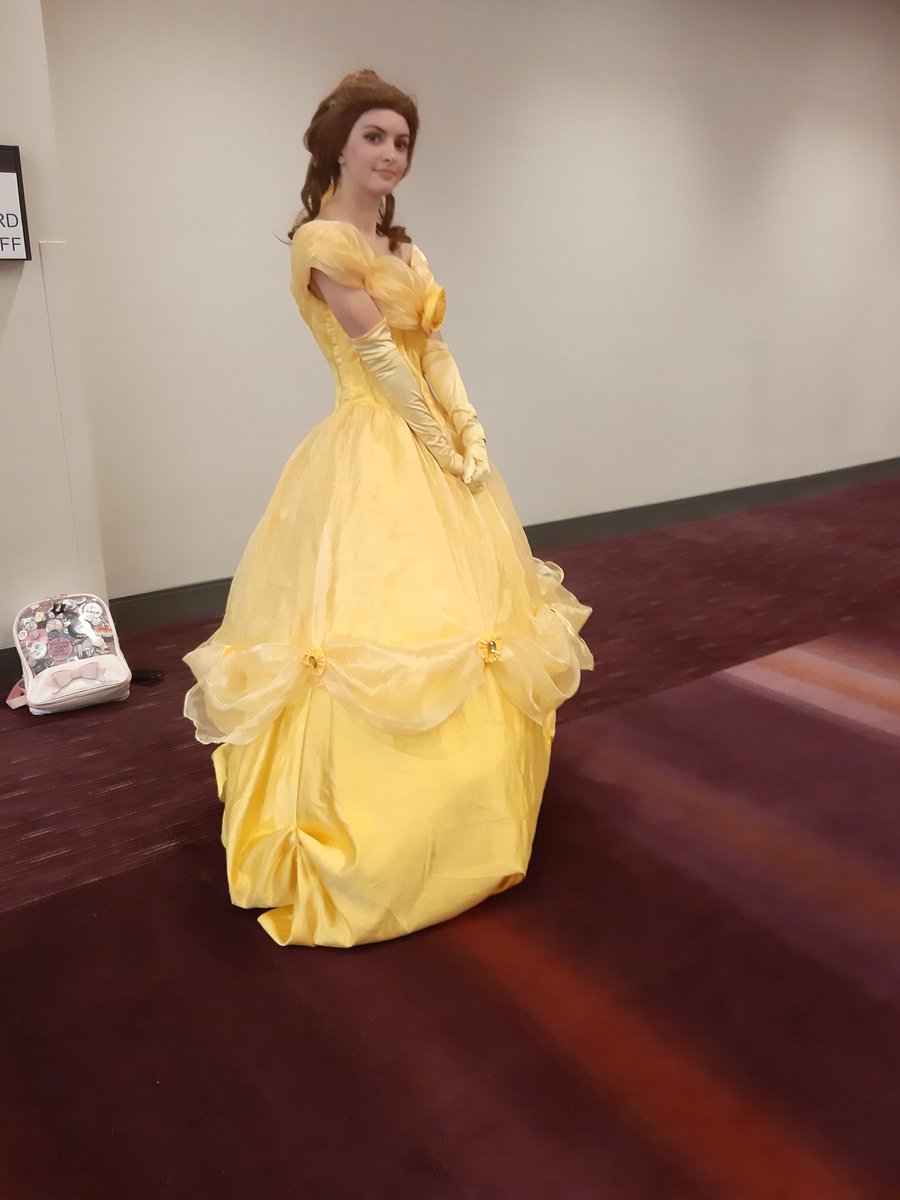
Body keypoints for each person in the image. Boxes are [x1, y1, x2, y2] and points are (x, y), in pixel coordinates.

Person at [183, 69, 593, 948]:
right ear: (337, 145)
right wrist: (437, 440)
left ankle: (473, 811)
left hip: (432, 443)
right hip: (371, 443)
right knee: (368, 623)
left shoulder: (405, 248)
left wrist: (470, 428)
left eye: (402, 141)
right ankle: (369, 834)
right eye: (375, 135)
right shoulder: (322, 242)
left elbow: (433, 348)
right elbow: (377, 357)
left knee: (469, 613)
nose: (391, 153)